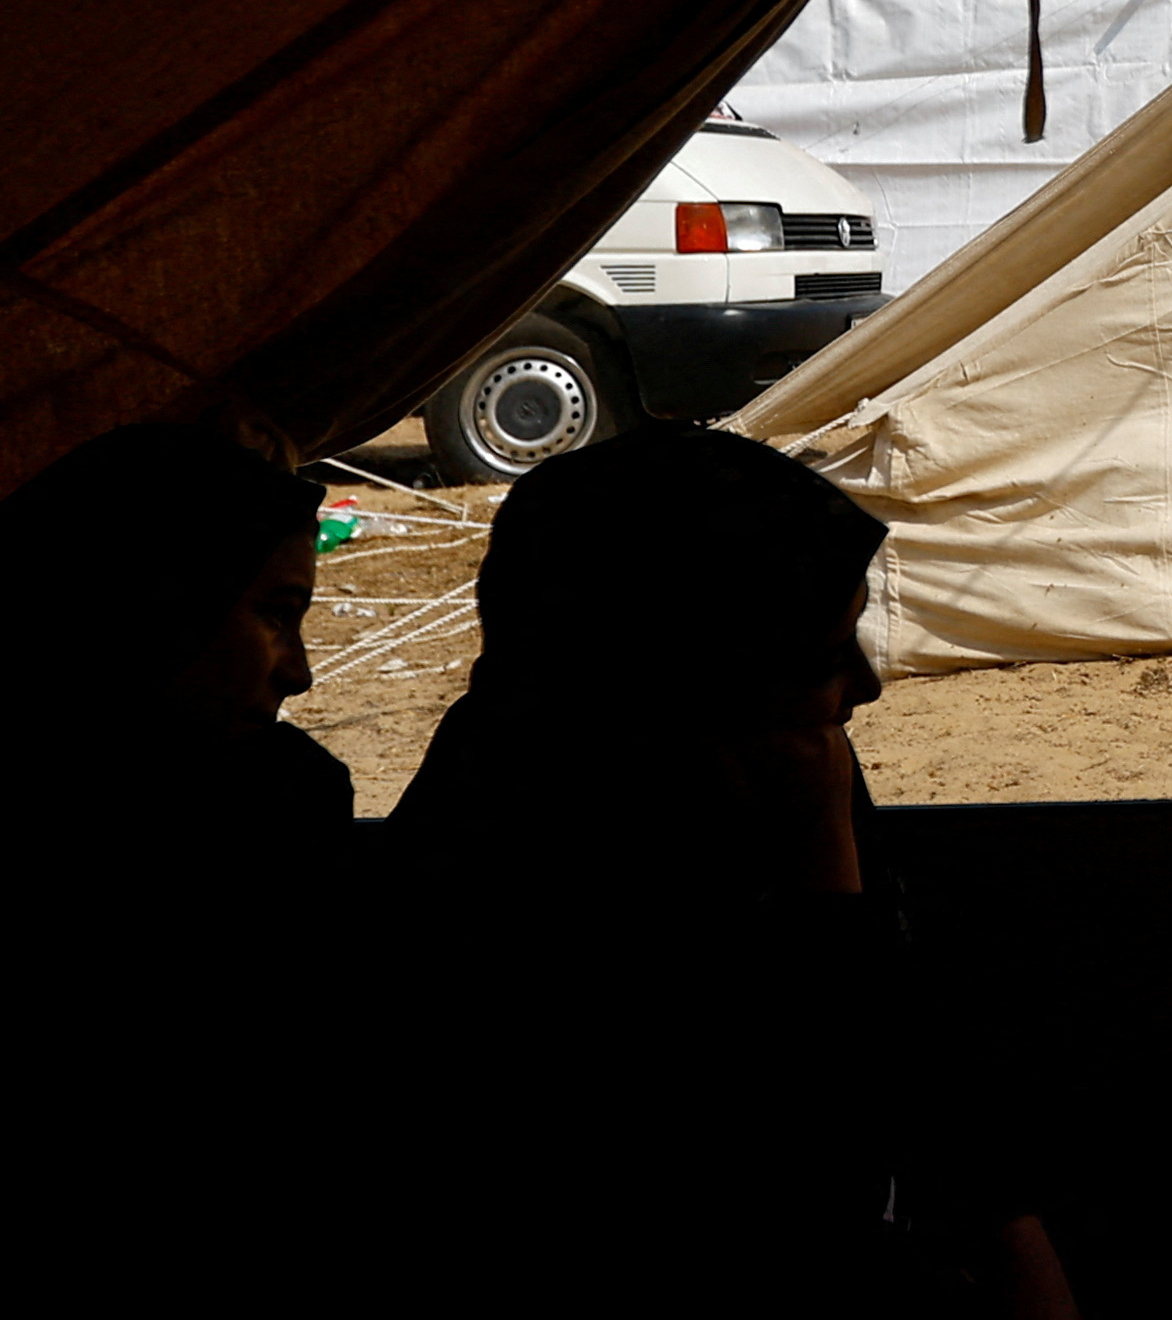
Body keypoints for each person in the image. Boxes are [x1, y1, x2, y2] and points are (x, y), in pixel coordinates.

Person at [391, 424, 1072, 1318]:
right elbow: (813, 1185)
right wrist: (823, 868)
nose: (865, 688)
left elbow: (930, 1086)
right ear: (685, 673)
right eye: (826, 656)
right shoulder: (503, 885)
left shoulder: (769, 754)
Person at [22, 423, 349, 1301]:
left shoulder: (277, 808)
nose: (302, 674)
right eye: (276, 616)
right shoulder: (258, 832)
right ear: (159, 606)